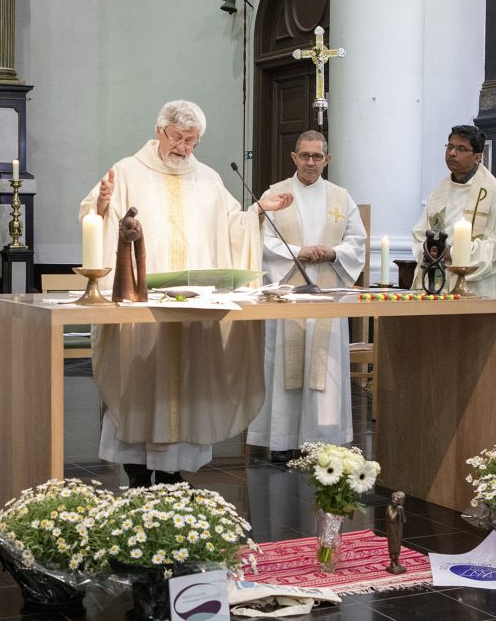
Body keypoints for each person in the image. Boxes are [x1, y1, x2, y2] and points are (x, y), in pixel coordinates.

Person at [78, 100, 293, 487]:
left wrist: (257, 211)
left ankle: (174, 472)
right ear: (159, 130)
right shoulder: (127, 170)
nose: (183, 147)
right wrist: (103, 204)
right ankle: (138, 471)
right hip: (144, 308)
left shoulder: (208, 179)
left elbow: (232, 225)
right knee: (141, 380)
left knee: (188, 383)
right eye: (177, 137)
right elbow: (94, 216)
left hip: (192, 309)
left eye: (192, 141)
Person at [246, 130, 365, 463]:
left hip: (327, 293)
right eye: (305, 155)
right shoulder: (275, 195)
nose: (311, 162)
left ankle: (323, 442)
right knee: (284, 364)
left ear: (327, 160)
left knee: (326, 370)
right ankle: (281, 440)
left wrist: (331, 253)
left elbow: (357, 242)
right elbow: (261, 239)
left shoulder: (342, 198)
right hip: (287, 294)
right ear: (293, 157)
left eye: (317, 156)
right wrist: (299, 251)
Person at [410, 125, 496, 298]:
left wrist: (452, 253)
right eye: (450, 146)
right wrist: (429, 249)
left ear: (477, 157)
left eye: (461, 149)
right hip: (437, 284)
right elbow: (419, 234)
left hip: (479, 288)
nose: (452, 153)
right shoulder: (438, 194)